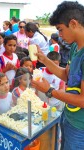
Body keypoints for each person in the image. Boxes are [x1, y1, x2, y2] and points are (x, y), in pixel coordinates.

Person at [31, 1, 84, 149]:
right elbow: (67, 76)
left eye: (60, 30)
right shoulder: (75, 46)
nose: (59, 36)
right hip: (68, 117)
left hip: (80, 127)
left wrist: (49, 90)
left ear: (73, 23)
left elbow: (82, 100)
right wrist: (45, 60)